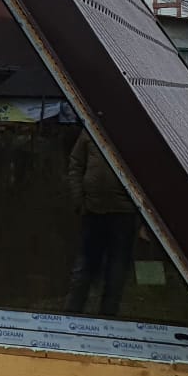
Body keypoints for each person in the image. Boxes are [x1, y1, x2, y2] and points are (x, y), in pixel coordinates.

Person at [63, 128, 139, 318]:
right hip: (93, 211)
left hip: (124, 214)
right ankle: (71, 315)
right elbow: (76, 164)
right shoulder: (91, 130)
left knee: (116, 271)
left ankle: (108, 318)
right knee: (83, 267)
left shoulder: (135, 132)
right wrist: (78, 200)